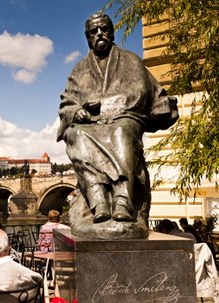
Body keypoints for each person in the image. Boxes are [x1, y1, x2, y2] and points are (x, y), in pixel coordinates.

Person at [56, 13, 178, 233]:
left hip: (125, 118)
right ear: (88, 38)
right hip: (91, 126)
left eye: (104, 29)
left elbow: (140, 92)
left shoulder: (131, 61)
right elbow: (67, 101)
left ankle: (122, 200)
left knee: (121, 132)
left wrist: (106, 105)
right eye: (94, 32)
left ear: (112, 33)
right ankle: (98, 201)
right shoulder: (79, 69)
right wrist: (77, 112)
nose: (99, 34)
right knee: (76, 135)